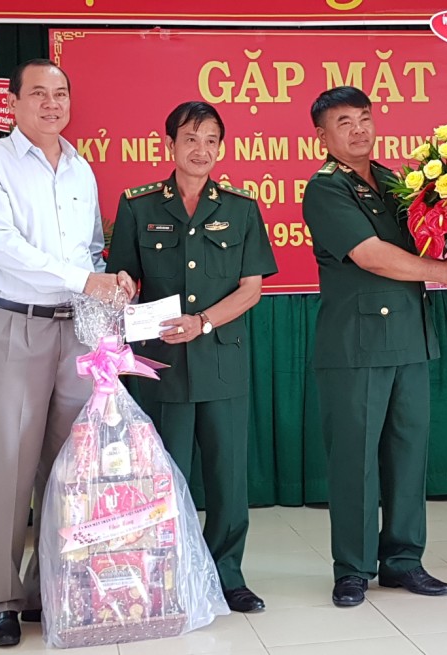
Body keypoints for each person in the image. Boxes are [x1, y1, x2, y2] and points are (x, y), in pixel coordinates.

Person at [0, 58, 135, 647]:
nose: (51, 103)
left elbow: (90, 250)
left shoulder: (80, 167)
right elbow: (1, 245)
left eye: (60, 93)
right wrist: (84, 279)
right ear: (13, 103)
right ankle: (1, 601)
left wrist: (110, 281)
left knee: (68, 467)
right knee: (9, 467)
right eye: (37, 93)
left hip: (77, 331)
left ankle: (47, 590)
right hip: (17, 326)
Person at [301, 86, 447, 607]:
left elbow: (431, 237)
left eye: (364, 118)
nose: (359, 130)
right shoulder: (325, 189)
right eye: (344, 122)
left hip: (409, 337)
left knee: (408, 455)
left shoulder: (392, 182)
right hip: (357, 344)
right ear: (322, 135)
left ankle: (404, 561)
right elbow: (371, 255)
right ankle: (353, 569)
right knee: (355, 461)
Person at [105, 100, 278, 614]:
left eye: (211, 140)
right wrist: (123, 297)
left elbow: (251, 289)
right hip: (160, 365)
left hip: (221, 359)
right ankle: (168, 577)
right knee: (164, 475)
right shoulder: (138, 206)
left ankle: (227, 576)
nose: (201, 150)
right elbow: (123, 282)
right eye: (190, 139)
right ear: (170, 145)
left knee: (228, 478)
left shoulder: (241, 208)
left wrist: (202, 322)